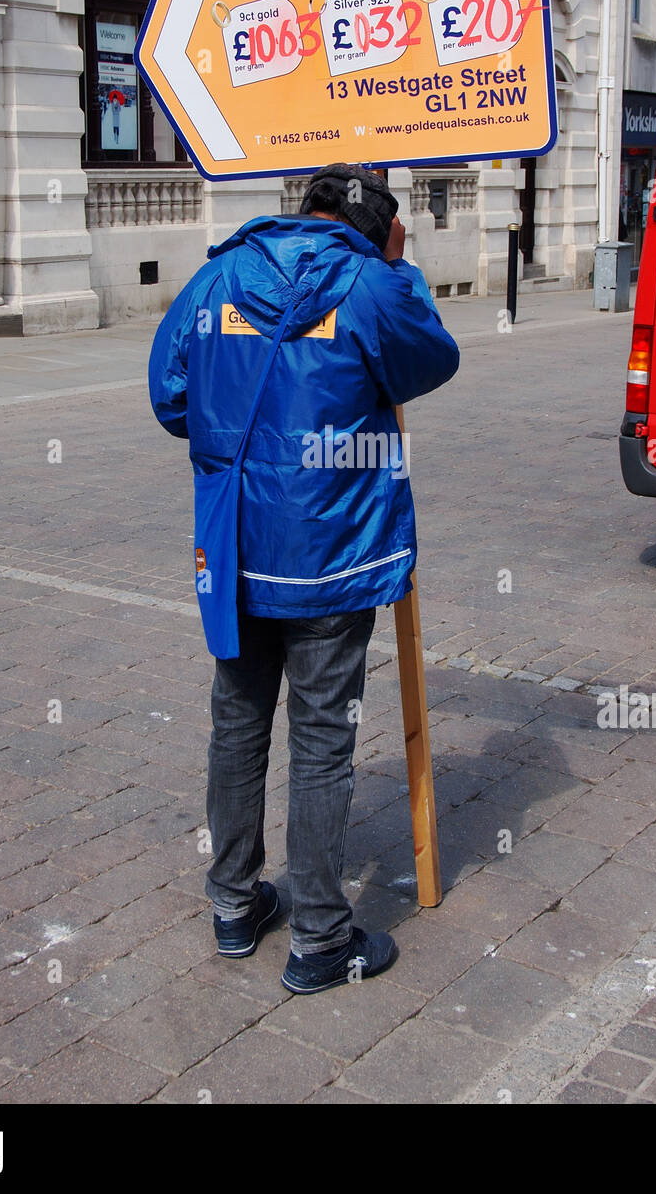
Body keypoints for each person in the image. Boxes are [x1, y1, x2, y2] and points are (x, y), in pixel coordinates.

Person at [148, 163, 459, 994]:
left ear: (307, 208)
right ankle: (321, 937)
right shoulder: (369, 282)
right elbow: (429, 363)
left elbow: (170, 395)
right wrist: (399, 268)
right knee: (322, 739)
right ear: (375, 228)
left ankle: (233, 901)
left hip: (238, 544)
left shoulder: (218, 273)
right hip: (330, 550)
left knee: (238, 722)